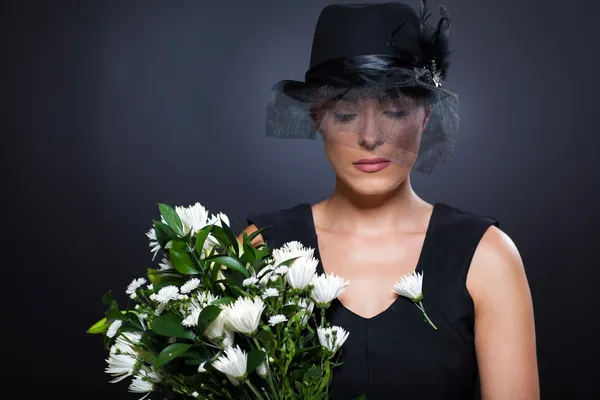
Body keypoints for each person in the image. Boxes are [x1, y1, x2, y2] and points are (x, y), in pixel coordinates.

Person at [241, 1, 539, 399]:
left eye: (394, 110)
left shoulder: (488, 257)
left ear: (425, 116)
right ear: (317, 117)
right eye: (345, 114)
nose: (369, 136)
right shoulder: (260, 247)